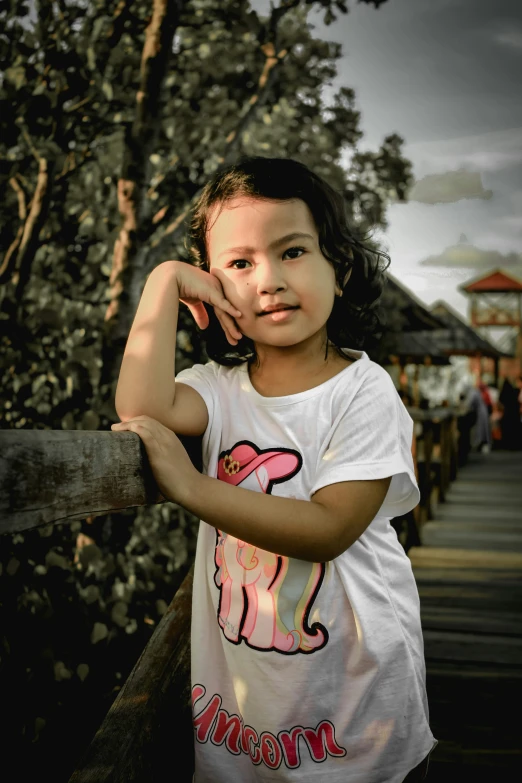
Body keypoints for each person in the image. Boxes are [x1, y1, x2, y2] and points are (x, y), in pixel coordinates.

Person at [111, 156, 437, 781]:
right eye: (239, 263)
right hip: (249, 718)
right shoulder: (217, 389)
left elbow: (327, 529)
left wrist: (188, 486)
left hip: (355, 702)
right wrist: (163, 282)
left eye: (291, 252)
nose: (268, 279)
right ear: (214, 288)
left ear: (339, 271)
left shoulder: (363, 392)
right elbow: (141, 406)